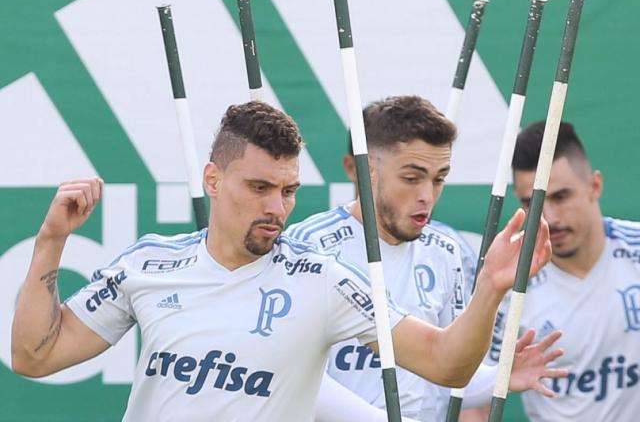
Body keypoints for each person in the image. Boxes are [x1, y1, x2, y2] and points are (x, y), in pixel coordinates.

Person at [11, 102, 551, 422]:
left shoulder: (324, 280)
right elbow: (34, 356)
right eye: (260, 187)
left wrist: (491, 289)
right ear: (213, 180)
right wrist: (51, 240)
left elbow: (444, 362)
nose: (277, 207)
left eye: (289, 190)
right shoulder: (148, 266)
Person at [287, 96, 565, 421]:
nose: (427, 195)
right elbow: (296, 380)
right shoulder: (307, 246)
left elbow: (448, 374)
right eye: (411, 178)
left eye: (439, 178)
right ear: (363, 170)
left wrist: (497, 377)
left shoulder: (445, 252)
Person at [507, 121, 640, 422]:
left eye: (561, 197)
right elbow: (476, 394)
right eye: (532, 203)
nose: (549, 218)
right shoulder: (508, 285)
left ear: (595, 186)